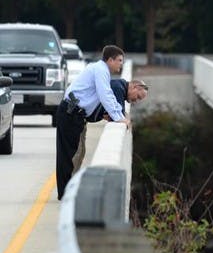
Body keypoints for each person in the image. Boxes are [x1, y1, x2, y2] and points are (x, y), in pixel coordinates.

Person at [56, 45, 130, 200]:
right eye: (119, 61)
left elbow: (105, 95)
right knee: (71, 155)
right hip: (71, 114)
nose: (121, 64)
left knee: (78, 153)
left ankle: (69, 190)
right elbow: (105, 94)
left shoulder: (100, 70)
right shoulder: (100, 70)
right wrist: (119, 117)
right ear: (110, 60)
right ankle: (66, 193)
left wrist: (118, 114)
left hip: (75, 115)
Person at [71, 78, 149, 176]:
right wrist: (114, 115)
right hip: (74, 117)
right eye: (138, 97)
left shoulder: (120, 87)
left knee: (80, 152)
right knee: (76, 153)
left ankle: (72, 180)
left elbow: (116, 113)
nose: (135, 101)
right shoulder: (118, 88)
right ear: (135, 87)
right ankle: (69, 185)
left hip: (79, 118)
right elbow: (118, 116)